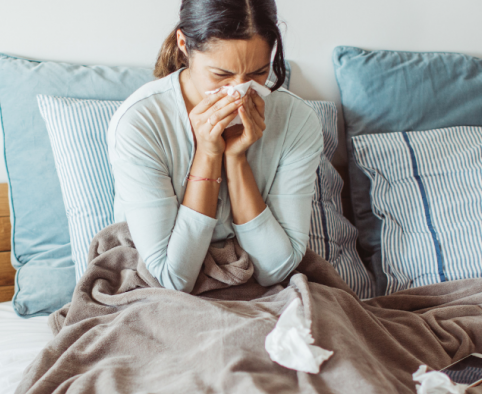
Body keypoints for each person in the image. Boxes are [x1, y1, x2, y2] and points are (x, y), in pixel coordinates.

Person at [108, 0, 322, 293]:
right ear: (183, 43)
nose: (240, 90)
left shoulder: (296, 120)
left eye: (259, 73)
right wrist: (208, 154)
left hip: (259, 291)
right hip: (158, 293)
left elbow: (276, 269)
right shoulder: (140, 122)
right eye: (221, 75)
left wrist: (236, 160)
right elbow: (172, 278)